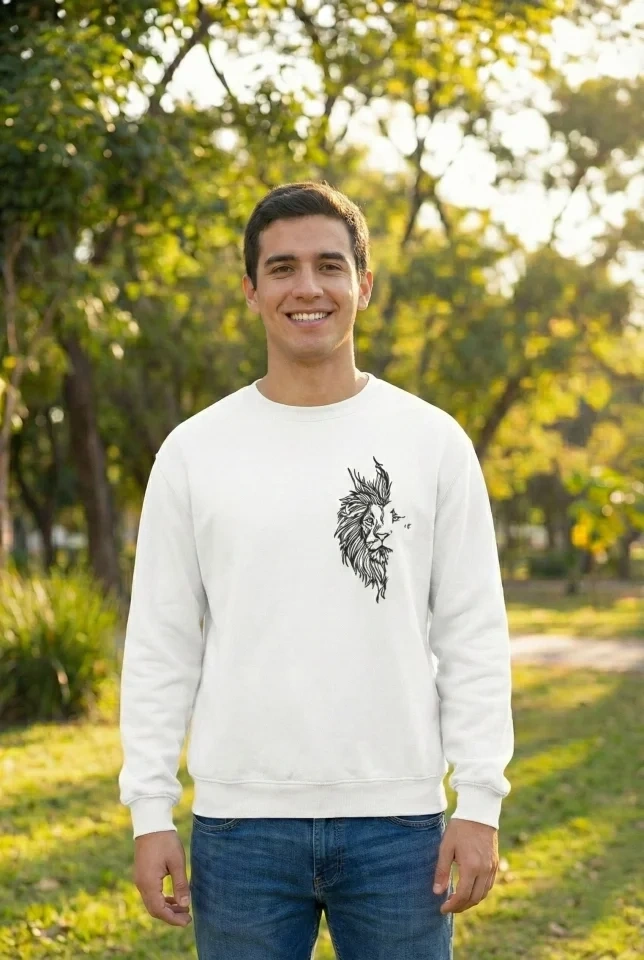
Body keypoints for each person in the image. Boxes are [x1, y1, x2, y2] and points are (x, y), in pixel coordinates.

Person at [118, 180, 514, 959]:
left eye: (330, 265)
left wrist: (480, 799)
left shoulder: (432, 441)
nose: (308, 287)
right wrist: (150, 811)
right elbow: (162, 645)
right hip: (240, 828)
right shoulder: (194, 451)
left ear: (364, 284)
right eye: (283, 268)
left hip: (400, 824)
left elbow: (473, 632)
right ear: (251, 290)